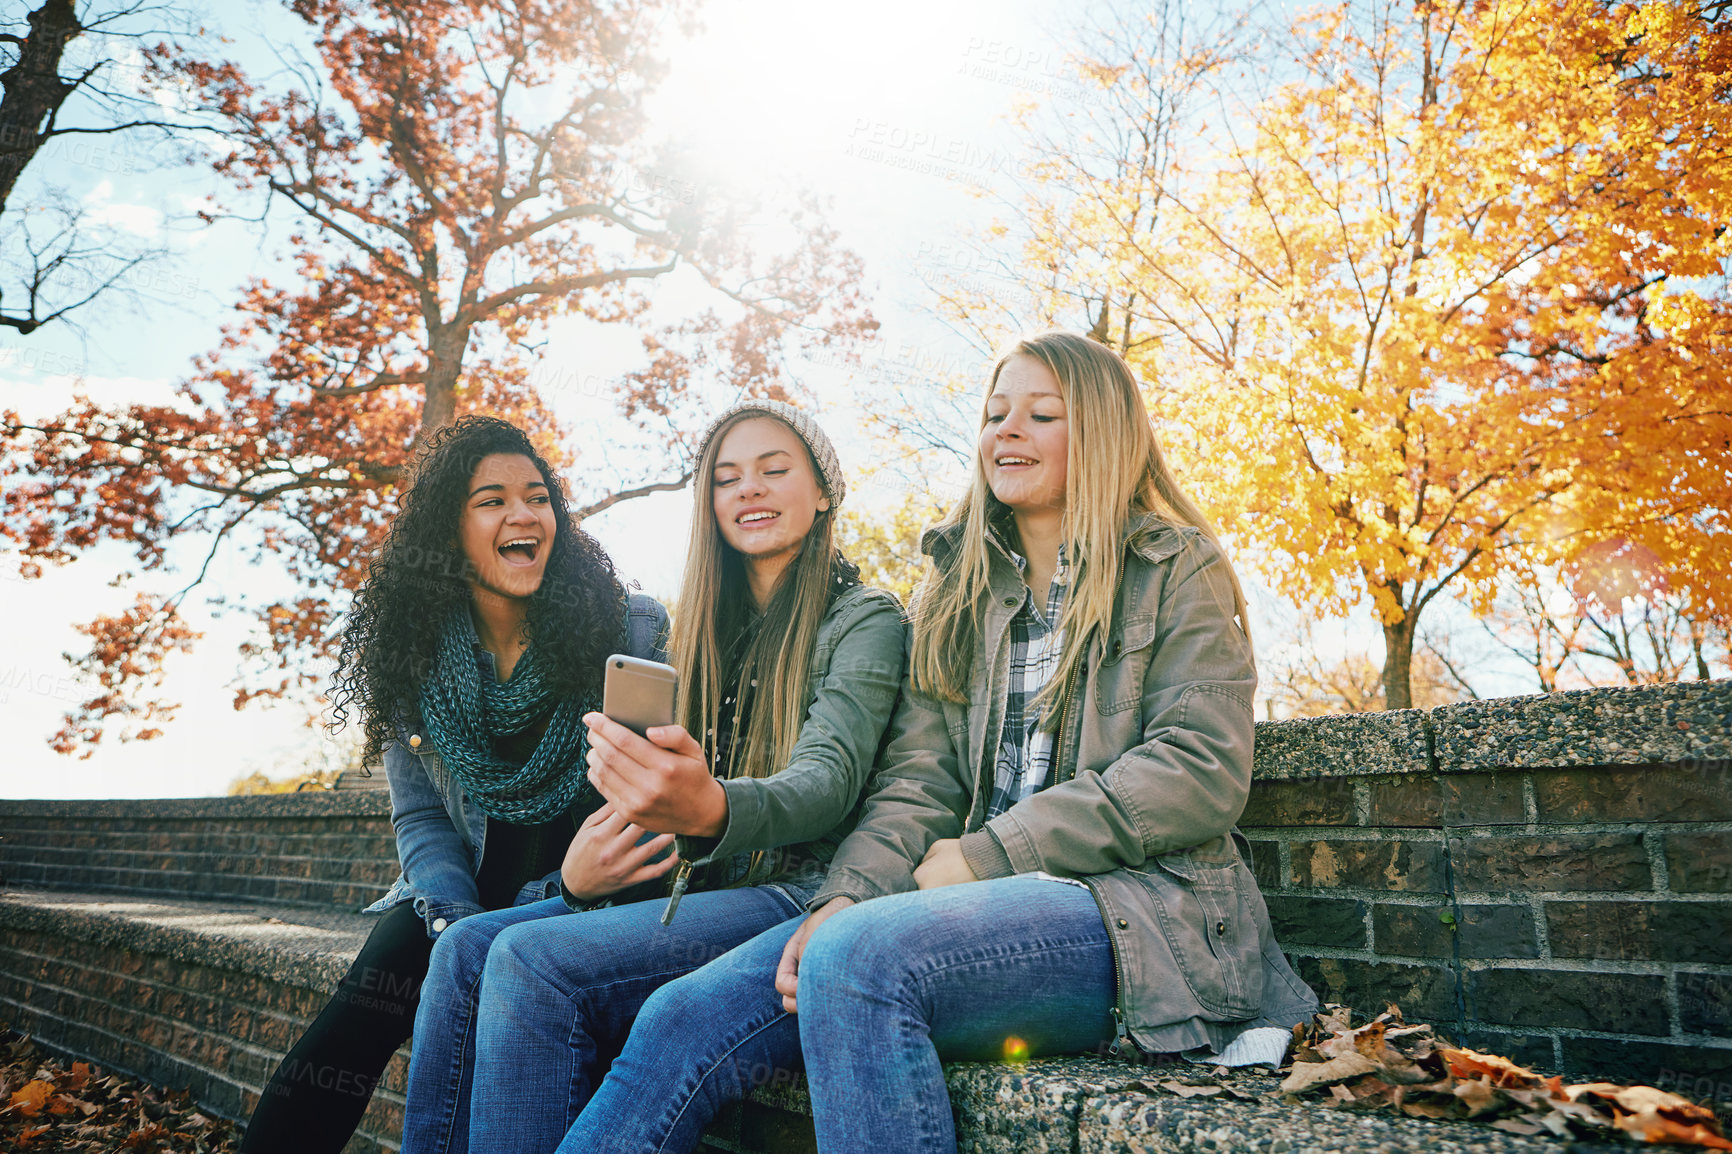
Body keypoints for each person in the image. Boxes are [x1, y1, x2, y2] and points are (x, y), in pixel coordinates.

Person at [547, 330, 1321, 1154]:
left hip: (1141, 915)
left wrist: (992, 852)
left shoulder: (1176, 568)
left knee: (858, 960)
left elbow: (1197, 770)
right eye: (995, 415)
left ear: (1102, 432)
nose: (1006, 432)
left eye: (1041, 414)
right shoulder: (959, 593)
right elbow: (918, 784)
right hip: (963, 907)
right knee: (682, 1012)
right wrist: (844, 895)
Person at [399, 399, 905, 1154]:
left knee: (529, 962)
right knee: (464, 948)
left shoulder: (864, 619)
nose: (749, 491)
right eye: (727, 478)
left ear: (823, 491)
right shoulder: (699, 629)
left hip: (798, 891)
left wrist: (710, 806)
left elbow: (826, 781)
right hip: (699, 892)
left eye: (775, 471)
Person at [238, 415, 668, 1154]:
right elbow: (421, 820)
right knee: (363, 1003)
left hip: (597, 881)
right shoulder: (411, 655)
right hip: (464, 887)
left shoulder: (625, 628)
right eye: (492, 500)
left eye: (537, 497)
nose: (523, 514)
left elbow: (651, 797)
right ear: (450, 531)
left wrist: (569, 887)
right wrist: (448, 924)